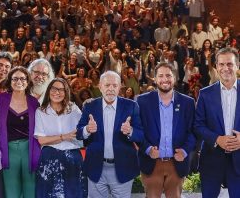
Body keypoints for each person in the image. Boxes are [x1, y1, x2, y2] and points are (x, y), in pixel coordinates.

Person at [76, 71, 144, 198]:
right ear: (100, 86)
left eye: (114, 85)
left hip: (123, 167)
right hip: (96, 167)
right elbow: (79, 133)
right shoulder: (90, 106)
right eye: (107, 85)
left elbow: (141, 135)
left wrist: (130, 131)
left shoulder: (131, 106)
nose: (111, 89)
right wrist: (87, 129)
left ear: (120, 87)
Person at [137, 62, 196, 198]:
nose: (165, 79)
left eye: (168, 75)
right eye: (161, 76)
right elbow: (138, 131)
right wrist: (148, 149)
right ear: (155, 79)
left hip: (177, 163)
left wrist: (185, 151)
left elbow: (192, 132)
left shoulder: (188, 102)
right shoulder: (142, 101)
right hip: (151, 162)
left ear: (174, 78)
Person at [194, 47, 240, 197]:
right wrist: (217, 139)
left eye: (229, 64)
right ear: (216, 66)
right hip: (211, 160)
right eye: (221, 64)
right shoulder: (205, 94)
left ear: (237, 66)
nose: (225, 68)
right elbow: (198, 125)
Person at [34, 78, 86, 198]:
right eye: (54, 89)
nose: (57, 92)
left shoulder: (73, 109)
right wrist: (64, 137)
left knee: (73, 193)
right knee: (50, 193)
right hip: (49, 158)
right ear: (49, 90)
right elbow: (42, 140)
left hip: (72, 157)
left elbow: (82, 132)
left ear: (66, 92)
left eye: (61, 90)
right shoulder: (41, 111)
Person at [0, 67, 40, 198]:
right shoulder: (1, 99)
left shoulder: (33, 102)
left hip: (29, 149)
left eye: (22, 78)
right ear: (10, 81)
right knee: (11, 190)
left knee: (30, 188)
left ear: (27, 82)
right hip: (8, 150)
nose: (18, 81)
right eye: (15, 78)